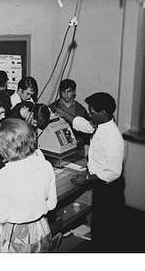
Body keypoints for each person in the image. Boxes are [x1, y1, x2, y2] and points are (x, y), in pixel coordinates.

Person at [56, 92, 124, 252]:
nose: (89, 115)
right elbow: (83, 124)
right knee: (99, 226)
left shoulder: (112, 137)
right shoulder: (100, 125)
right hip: (101, 184)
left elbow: (113, 172)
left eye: (92, 112)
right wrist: (62, 113)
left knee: (103, 230)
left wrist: (86, 178)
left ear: (103, 113)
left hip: (109, 190)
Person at [0, 118, 57, 252]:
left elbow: (1, 214)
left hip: (18, 234)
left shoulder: (7, 172)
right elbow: (51, 204)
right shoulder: (45, 164)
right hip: (42, 228)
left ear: (5, 145)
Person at [48, 79, 90, 147]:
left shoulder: (81, 110)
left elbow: (86, 132)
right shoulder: (52, 108)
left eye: (69, 91)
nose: (66, 95)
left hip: (76, 148)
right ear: (59, 92)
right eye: (63, 92)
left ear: (74, 92)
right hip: (56, 146)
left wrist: (78, 141)